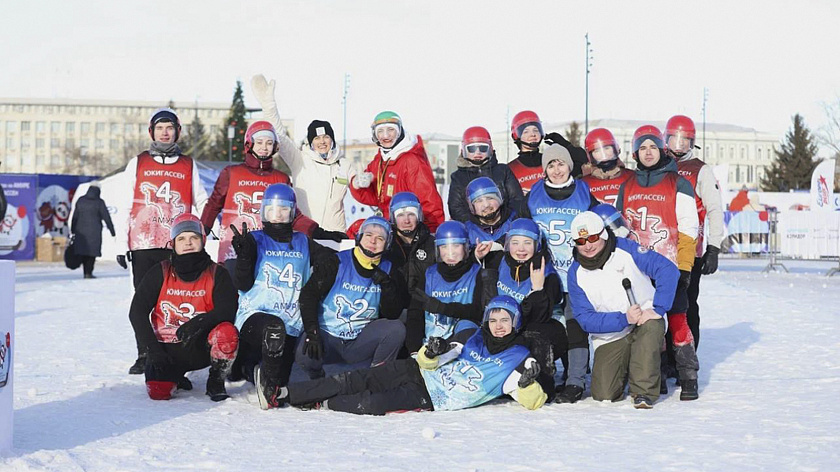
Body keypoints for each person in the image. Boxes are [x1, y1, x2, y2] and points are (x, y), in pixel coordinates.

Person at [272, 296, 547, 415]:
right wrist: (432, 350)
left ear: (516, 323)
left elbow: (533, 401)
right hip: (417, 371)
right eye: (493, 319)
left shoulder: (519, 356)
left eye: (505, 320)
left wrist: (527, 385)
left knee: (372, 403)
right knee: (355, 378)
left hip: (433, 397)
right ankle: (286, 394)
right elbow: (432, 361)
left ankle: (322, 403)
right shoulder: (472, 336)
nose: (498, 325)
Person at [227, 184, 336, 409]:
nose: (278, 214)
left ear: (292, 212)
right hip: (256, 315)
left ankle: (256, 372)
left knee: (280, 374)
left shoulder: (303, 241)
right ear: (264, 211)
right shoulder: (254, 239)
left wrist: (319, 279)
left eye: (284, 209)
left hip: (292, 323)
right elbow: (242, 283)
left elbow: (332, 260)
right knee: (273, 330)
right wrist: (245, 257)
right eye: (272, 209)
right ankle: (244, 365)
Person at [119, 107, 209, 375]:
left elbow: (202, 200)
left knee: (175, 299)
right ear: (152, 132)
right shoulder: (138, 162)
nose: (165, 132)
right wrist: (120, 245)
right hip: (144, 242)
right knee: (143, 301)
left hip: (176, 244)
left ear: (177, 132)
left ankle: (174, 351)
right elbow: (125, 203)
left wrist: (202, 231)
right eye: (160, 128)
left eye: (169, 128)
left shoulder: (188, 164)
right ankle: (144, 352)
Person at [616, 125, 700, 400]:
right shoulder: (627, 185)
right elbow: (618, 229)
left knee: (676, 319)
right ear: (635, 153)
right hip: (638, 267)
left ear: (662, 148)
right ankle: (657, 374)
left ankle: (688, 376)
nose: (648, 152)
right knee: (645, 321)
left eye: (653, 146)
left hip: (669, 265)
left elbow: (689, 229)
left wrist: (685, 268)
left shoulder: (678, 182)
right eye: (642, 147)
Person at [566, 211, 678, 408]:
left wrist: (658, 308)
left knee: (650, 330)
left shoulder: (626, 249)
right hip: (613, 332)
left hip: (645, 318)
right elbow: (584, 318)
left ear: (603, 234)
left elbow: (667, 269)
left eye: (592, 238)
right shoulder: (575, 273)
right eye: (581, 241)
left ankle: (643, 391)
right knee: (603, 394)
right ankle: (630, 364)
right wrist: (623, 319)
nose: (588, 246)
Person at [199, 120, 339, 272]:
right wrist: (201, 231)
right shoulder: (231, 173)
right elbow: (213, 205)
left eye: (269, 143)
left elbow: (294, 216)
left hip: (268, 250)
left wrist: (318, 232)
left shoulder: (280, 179)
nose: (264, 147)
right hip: (233, 249)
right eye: (259, 142)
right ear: (249, 143)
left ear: (275, 146)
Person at [127, 214, 239, 401]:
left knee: (227, 333)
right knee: (158, 393)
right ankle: (175, 377)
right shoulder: (160, 271)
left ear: (203, 241)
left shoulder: (217, 273)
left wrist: (200, 322)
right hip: (165, 350)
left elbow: (228, 309)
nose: (188, 243)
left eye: (193, 237)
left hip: (199, 346)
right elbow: (137, 312)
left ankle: (216, 380)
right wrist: (152, 351)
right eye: (181, 239)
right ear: (173, 244)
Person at [525, 143, 598, 403]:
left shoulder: (583, 191)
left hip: (577, 271)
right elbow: (520, 228)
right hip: (547, 273)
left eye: (561, 164)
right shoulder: (534, 193)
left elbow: (604, 224)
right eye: (551, 164)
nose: (556, 170)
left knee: (575, 325)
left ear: (570, 166)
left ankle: (575, 381)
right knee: (544, 325)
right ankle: (544, 375)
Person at [296, 215, 409, 380]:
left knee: (396, 329)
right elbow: (308, 296)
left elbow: (392, 315)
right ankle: (316, 377)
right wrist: (312, 332)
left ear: (387, 243)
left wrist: (388, 286)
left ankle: (377, 377)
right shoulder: (336, 262)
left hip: (359, 340)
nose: (373, 241)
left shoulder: (389, 270)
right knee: (305, 353)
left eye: (380, 238)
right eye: (368, 235)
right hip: (328, 337)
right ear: (360, 237)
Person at [479, 218, 567, 401]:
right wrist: (478, 257)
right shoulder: (500, 261)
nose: (521, 249)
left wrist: (537, 290)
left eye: (527, 243)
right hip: (511, 329)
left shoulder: (546, 272)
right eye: (515, 242)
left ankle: (542, 383)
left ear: (536, 245)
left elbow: (541, 317)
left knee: (534, 333)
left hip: (544, 330)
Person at [250, 74, 349, 232]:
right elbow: (279, 135)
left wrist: (364, 182)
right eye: (317, 138)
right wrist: (269, 107)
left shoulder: (344, 164)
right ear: (310, 142)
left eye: (326, 137)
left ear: (332, 140)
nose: (322, 142)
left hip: (335, 234)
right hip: (305, 232)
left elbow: (361, 190)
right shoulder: (300, 159)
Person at [664, 115, 725, 351]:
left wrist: (714, 247)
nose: (678, 146)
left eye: (684, 141)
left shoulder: (700, 170)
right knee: (661, 305)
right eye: (674, 140)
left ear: (693, 143)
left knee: (687, 305)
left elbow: (715, 208)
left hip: (691, 251)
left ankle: (685, 357)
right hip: (661, 248)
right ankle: (663, 357)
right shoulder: (659, 166)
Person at [349, 111, 445, 231]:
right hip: (389, 222)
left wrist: (431, 233)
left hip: (406, 226)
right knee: (356, 230)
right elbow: (374, 198)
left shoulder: (411, 161)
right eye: (380, 131)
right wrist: (357, 185)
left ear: (399, 131)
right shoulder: (380, 160)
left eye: (390, 130)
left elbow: (429, 202)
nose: (385, 136)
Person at [405, 220, 490, 354]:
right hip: (428, 347)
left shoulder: (478, 273)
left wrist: (442, 308)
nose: (451, 253)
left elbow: (478, 312)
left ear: (465, 247)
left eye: (456, 246)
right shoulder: (429, 274)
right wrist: (414, 350)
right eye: (444, 247)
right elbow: (415, 315)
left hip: (462, 347)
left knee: (467, 325)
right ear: (437, 249)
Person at [448, 126, 524, 222]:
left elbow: (516, 200)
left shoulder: (502, 171)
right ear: (463, 151)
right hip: (473, 230)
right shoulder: (458, 177)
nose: (477, 152)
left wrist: (503, 221)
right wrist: (476, 224)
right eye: (472, 149)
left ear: (490, 149)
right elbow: (455, 208)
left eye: (483, 148)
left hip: (504, 225)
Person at [507, 110, 588, 194]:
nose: (532, 134)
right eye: (526, 131)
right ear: (516, 136)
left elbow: (582, 163)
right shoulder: (510, 169)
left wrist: (566, 146)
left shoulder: (553, 161)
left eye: (536, 130)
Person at [384, 192, 435, 292]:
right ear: (393, 218)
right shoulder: (385, 243)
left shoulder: (431, 244)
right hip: (392, 303)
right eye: (400, 215)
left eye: (411, 214)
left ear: (419, 216)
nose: (406, 220)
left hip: (422, 304)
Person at [70, 185, 115, 279]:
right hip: (95, 232)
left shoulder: (81, 200)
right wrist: (112, 231)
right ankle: (88, 272)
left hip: (81, 231)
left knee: (83, 252)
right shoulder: (99, 202)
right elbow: (106, 217)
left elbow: (75, 216)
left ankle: (85, 271)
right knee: (92, 253)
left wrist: (73, 230)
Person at [580, 128, 635, 205]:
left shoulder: (631, 177)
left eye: (607, 148)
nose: (604, 154)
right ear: (590, 155)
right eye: (597, 151)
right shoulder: (583, 184)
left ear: (615, 149)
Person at [463, 177, 517, 246]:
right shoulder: (467, 231)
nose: (486, 205)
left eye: (490, 198)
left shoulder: (514, 220)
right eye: (479, 201)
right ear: (472, 207)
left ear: (499, 199)